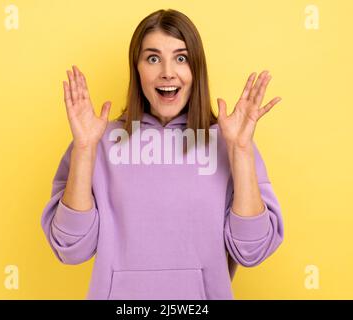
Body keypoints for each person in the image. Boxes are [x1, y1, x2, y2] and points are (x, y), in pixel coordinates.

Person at [41, 8, 284, 300]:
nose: (167, 71)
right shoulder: (97, 140)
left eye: (181, 58)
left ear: (196, 69)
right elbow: (71, 248)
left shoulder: (230, 141)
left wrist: (241, 150)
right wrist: (83, 148)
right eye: (153, 58)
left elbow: (251, 249)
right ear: (137, 68)